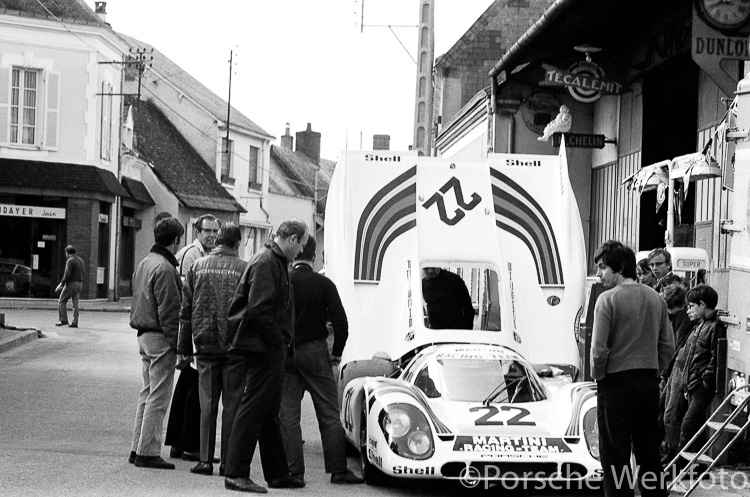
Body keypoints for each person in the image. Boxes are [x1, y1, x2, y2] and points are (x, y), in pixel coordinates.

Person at [223, 220, 309, 493]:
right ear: (292, 238)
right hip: (262, 347)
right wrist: (278, 343)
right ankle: (236, 472)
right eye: (302, 245)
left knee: (270, 413)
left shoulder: (273, 260)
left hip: (264, 346)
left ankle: (277, 474)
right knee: (253, 411)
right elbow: (260, 310)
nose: (301, 251)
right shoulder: (268, 262)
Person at [591, 240, 674, 497]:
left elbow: (598, 351)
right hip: (648, 384)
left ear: (619, 269)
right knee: (648, 453)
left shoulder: (607, 300)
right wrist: (654, 372)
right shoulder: (656, 299)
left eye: (603, 267)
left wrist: (600, 377)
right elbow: (668, 346)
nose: (599, 273)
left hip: (614, 385)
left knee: (615, 456)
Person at [280, 237, 363, 485]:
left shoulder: (284, 281)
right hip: (315, 351)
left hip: (287, 351)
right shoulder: (324, 284)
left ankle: (295, 471)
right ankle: (338, 470)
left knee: (288, 414)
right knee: (328, 412)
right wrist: (336, 352)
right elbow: (341, 322)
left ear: (294, 255)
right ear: (314, 256)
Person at [177, 223, 248, 476]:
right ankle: (228, 462)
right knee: (232, 405)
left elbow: (185, 311)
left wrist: (183, 347)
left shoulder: (197, 266)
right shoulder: (244, 269)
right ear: (237, 243)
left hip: (204, 345)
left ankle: (205, 460)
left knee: (207, 405)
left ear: (217, 240)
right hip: (234, 347)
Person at [128, 216, 184, 470]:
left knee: (146, 393)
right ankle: (148, 450)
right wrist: (179, 346)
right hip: (160, 335)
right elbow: (170, 311)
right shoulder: (165, 268)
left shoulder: (145, 262)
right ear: (175, 240)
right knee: (159, 396)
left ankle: (137, 446)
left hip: (143, 332)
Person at [166, 214, 221, 462]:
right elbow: (189, 298)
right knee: (194, 391)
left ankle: (180, 444)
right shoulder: (192, 256)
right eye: (207, 231)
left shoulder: (201, 254)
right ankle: (189, 446)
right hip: (194, 329)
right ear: (197, 232)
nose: (211, 235)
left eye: (214, 231)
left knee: (187, 388)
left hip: (195, 329)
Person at [664, 285, 726, 467]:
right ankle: (692, 463)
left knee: (688, 425)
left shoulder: (714, 327)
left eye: (692, 305)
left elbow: (714, 359)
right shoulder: (700, 326)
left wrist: (704, 382)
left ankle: (680, 464)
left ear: (702, 304)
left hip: (700, 386)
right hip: (692, 384)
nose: (689, 309)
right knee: (690, 424)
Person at [55, 245, 84, 328]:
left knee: (62, 301)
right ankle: (75, 322)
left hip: (71, 284)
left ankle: (63, 320)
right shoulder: (80, 260)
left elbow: (67, 274)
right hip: (79, 283)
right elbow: (83, 273)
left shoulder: (70, 261)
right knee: (75, 304)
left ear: (67, 253)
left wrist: (61, 284)